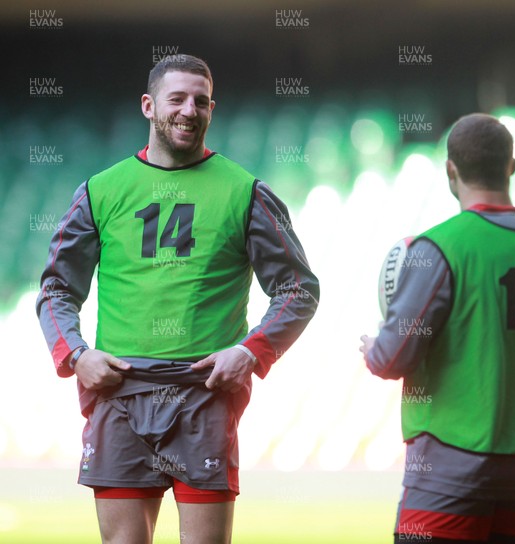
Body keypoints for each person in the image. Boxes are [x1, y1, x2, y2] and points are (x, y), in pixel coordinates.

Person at [37, 54, 319, 544]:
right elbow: (57, 287)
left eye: (202, 101)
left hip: (203, 393)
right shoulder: (102, 191)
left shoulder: (245, 192)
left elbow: (299, 289)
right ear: (149, 106)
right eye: (178, 99)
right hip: (119, 392)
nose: (191, 110)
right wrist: (76, 356)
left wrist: (250, 352)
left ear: (213, 109)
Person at [360, 113, 515, 544]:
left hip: (450, 468)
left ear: (450, 171)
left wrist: (372, 346)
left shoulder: (440, 247)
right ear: (510, 167)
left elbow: (392, 357)